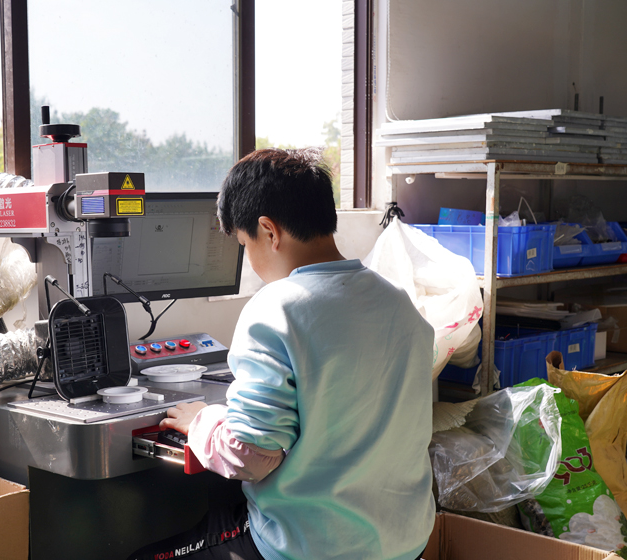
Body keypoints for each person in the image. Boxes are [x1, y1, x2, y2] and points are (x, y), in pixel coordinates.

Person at [128, 148, 435, 560]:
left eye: (244, 244)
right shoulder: (398, 301)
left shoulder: (279, 307)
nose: (251, 262)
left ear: (269, 231)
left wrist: (202, 420)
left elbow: (250, 457)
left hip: (312, 547)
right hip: (403, 542)